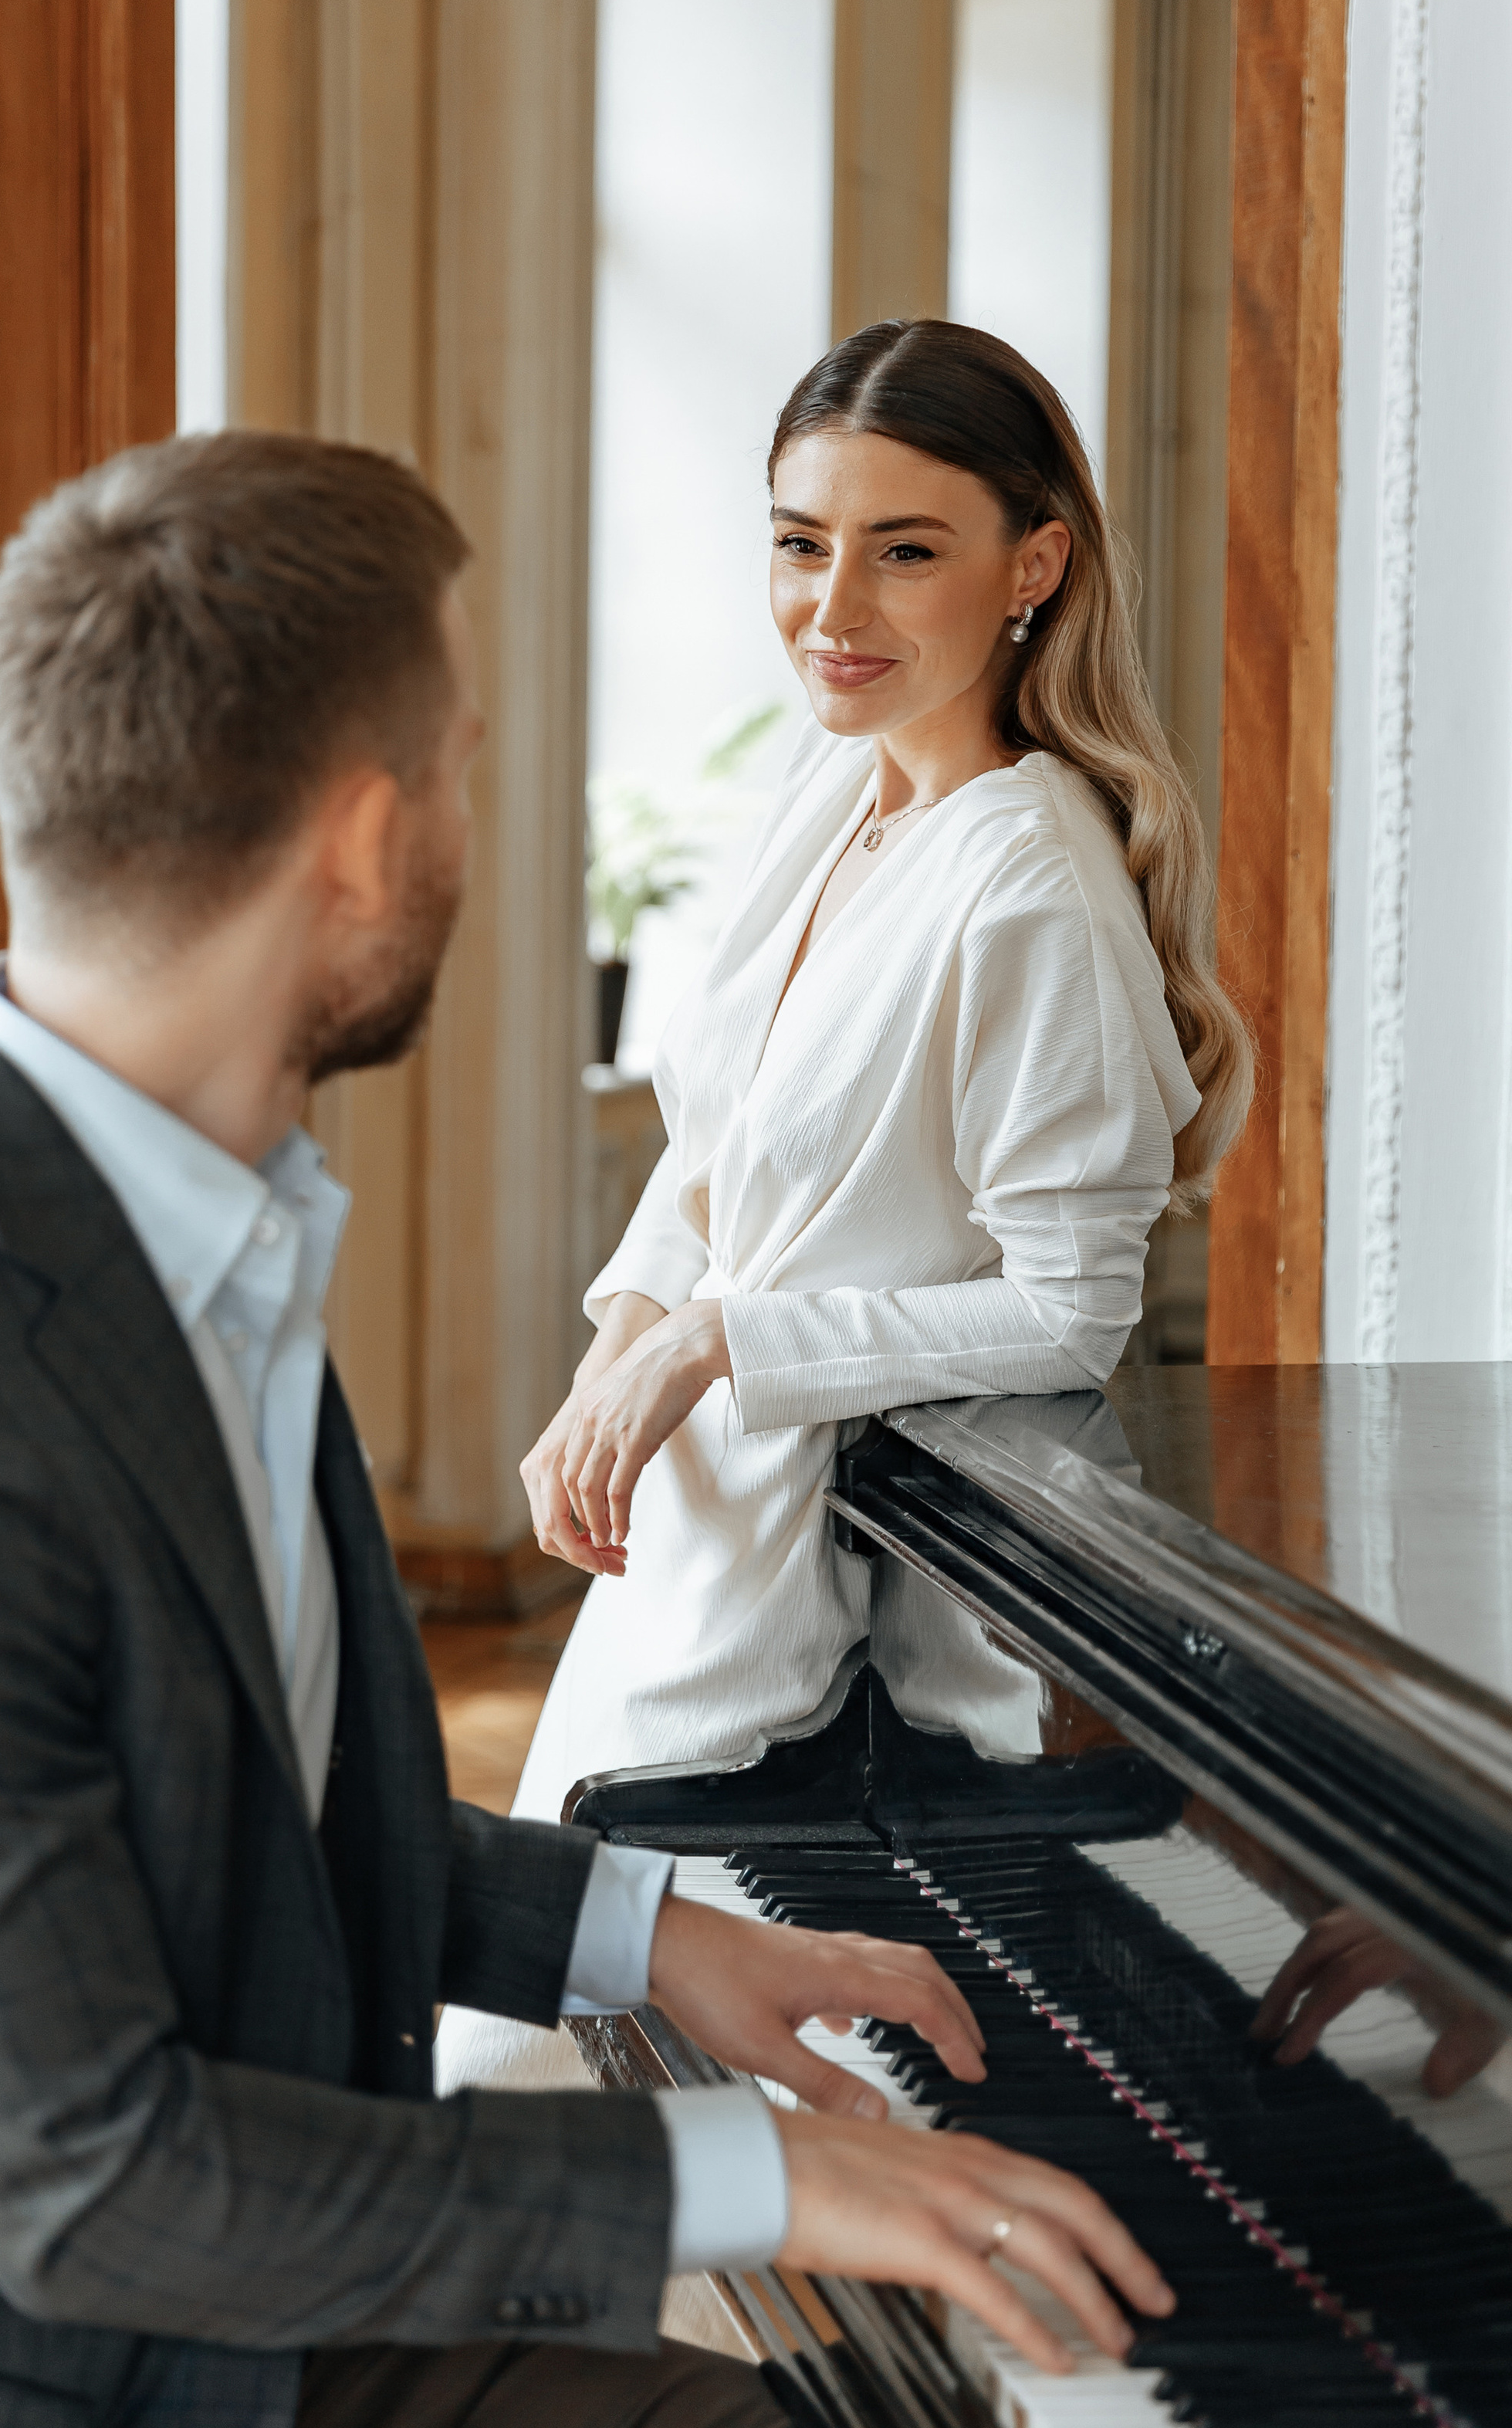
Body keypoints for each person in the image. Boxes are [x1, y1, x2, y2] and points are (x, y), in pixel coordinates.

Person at [0, 432, 1172, 2428]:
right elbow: (98, 2182)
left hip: (268, 2377)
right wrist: (752, 2170)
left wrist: (649, 1939)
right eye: (452, 766)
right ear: (361, 840)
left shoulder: (199, 1232)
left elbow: (239, 1821)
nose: (467, 820)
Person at [438, 323, 1248, 2110]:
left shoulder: (1027, 884)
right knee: (532, 2027)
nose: (831, 604)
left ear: (1031, 567)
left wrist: (724, 1339)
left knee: (571, 2067)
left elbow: (1068, 1310)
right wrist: (626, 1349)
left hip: (815, 1600)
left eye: (904, 548)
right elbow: (715, 1140)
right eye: (801, 542)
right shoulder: (831, 797)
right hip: (685, 1533)